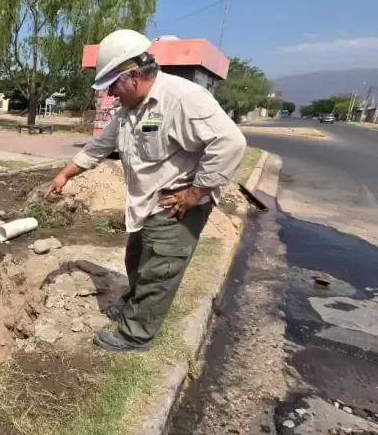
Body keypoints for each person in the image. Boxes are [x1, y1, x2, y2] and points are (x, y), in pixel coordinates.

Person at [47, 29, 246, 352]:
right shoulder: (130, 110)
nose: (110, 93)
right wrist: (64, 175)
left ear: (134, 76)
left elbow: (230, 143)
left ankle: (136, 334)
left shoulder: (182, 99)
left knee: (159, 270)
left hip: (175, 206)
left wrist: (195, 193)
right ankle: (135, 306)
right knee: (137, 259)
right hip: (147, 202)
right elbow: (100, 146)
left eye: (112, 84)